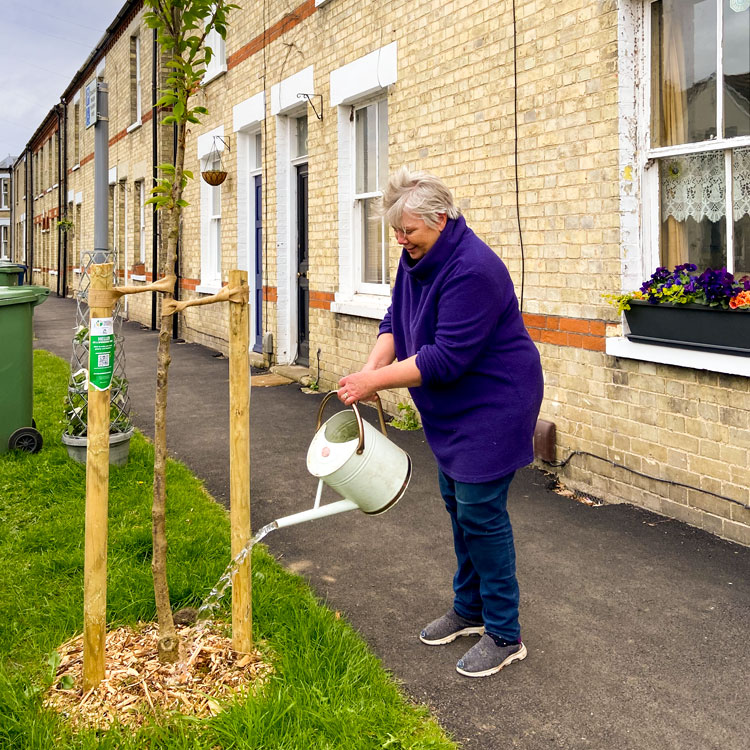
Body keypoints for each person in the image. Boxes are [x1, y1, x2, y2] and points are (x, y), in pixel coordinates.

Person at [337, 167, 544, 678]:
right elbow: (394, 322)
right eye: (396, 232)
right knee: (457, 502)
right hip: (454, 406)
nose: (401, 240)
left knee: (480, 511)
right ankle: (469, 608)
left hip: (495, 402)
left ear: (441, 219)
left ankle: (503, 632)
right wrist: (367, 371)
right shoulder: (416, 260)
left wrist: (375, 384)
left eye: (409, 231)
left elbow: (445, 358)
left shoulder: (473, 269)